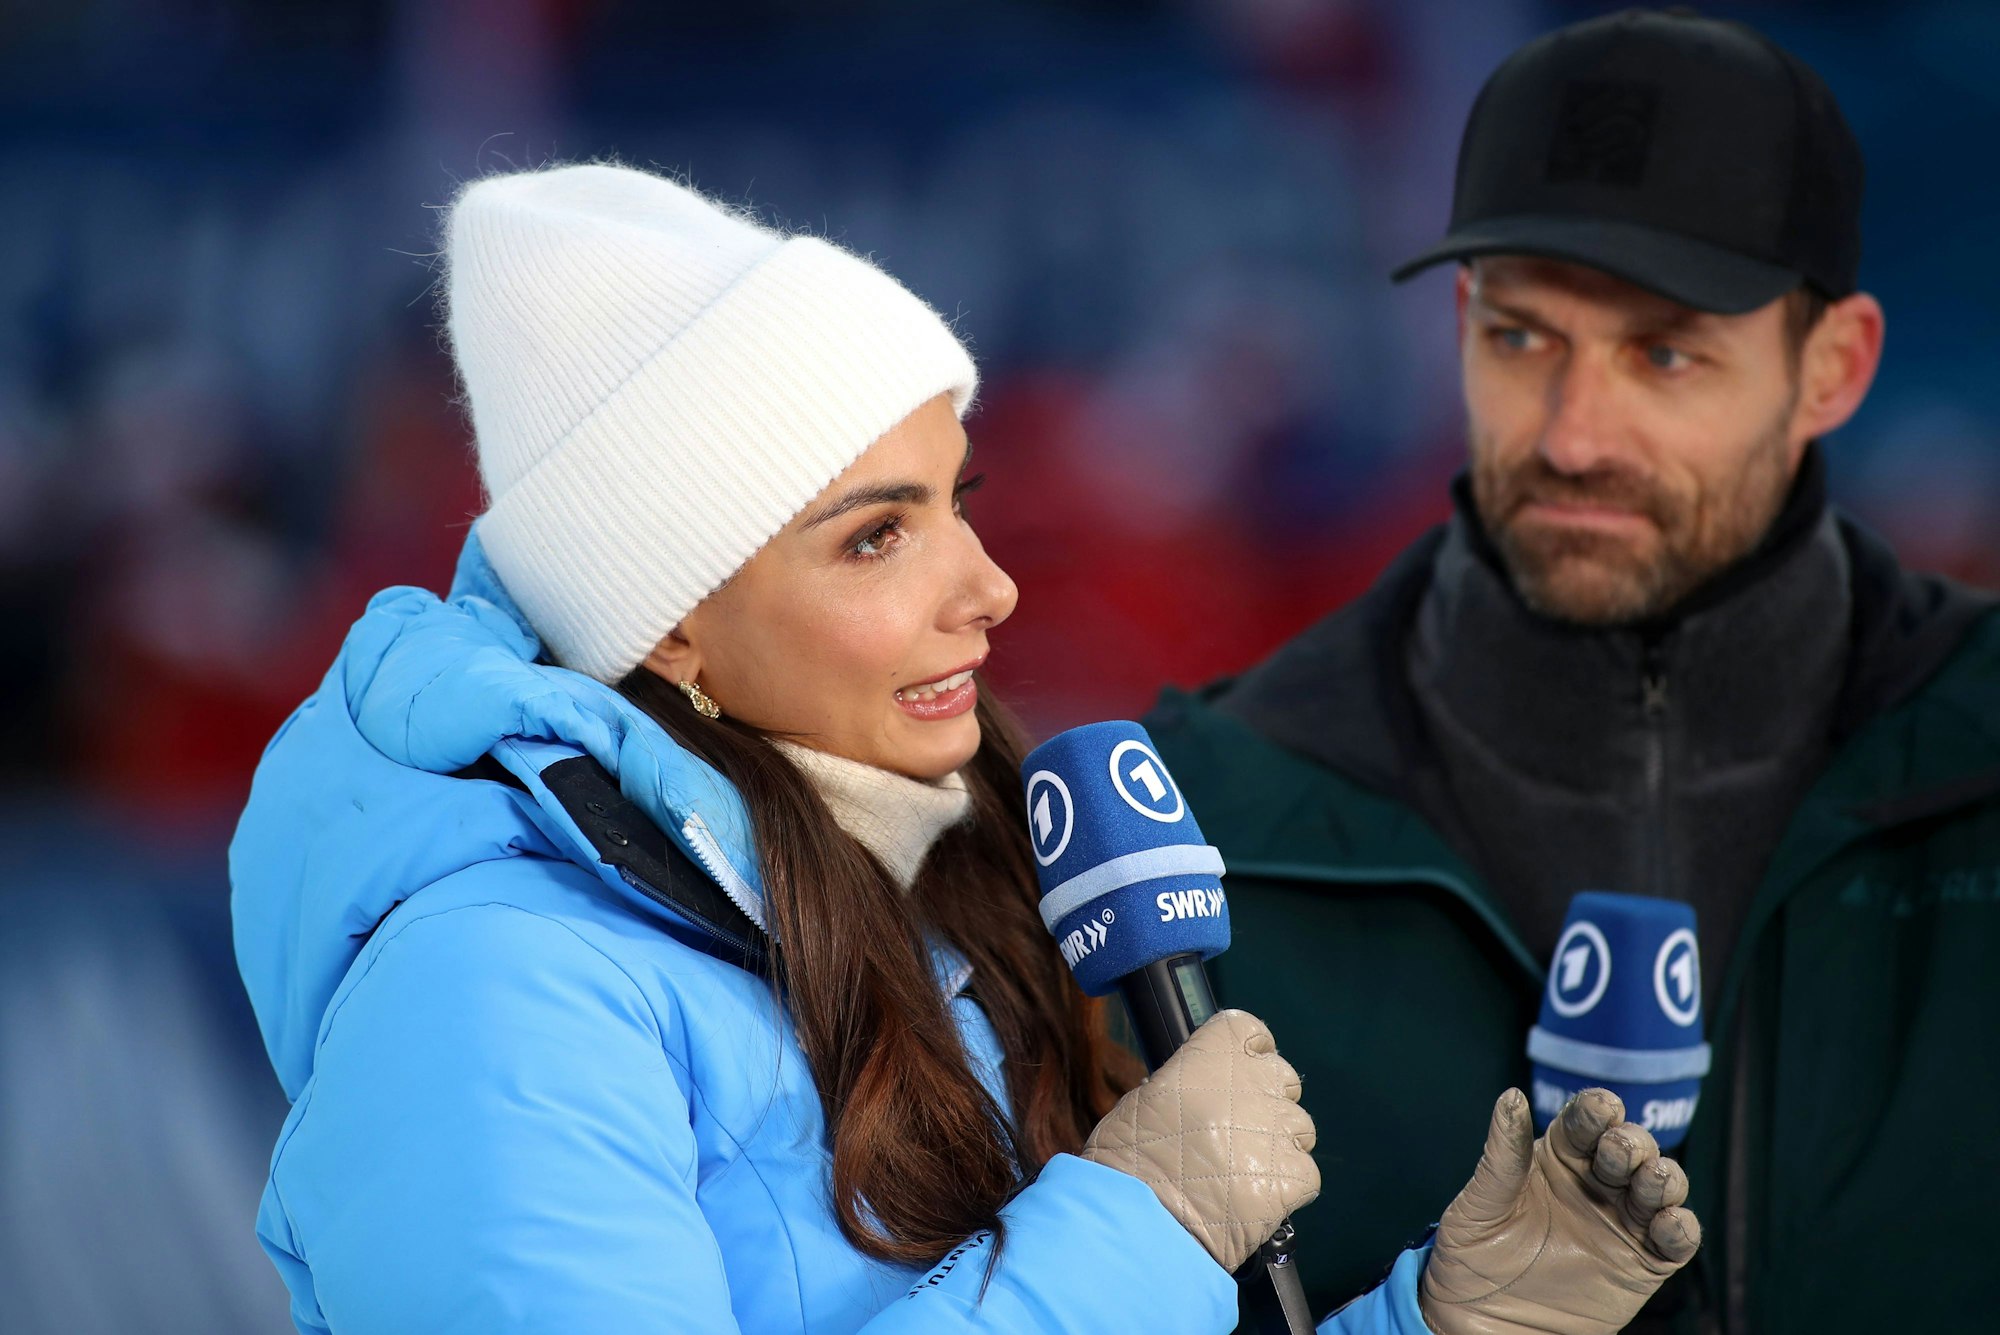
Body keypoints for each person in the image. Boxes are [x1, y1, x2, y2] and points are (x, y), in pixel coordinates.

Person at [231, 162, 1698, 1334]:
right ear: (668, 631)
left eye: (959, 500)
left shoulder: (918, 901)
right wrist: (1144, 1227)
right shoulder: (492, 995)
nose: (989, 588)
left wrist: (1454, 1324)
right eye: (877, 535)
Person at [1144, 8, 2000, 1333]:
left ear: (1835, 368)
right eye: (1524, 341)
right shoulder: (1199, 831)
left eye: (1665, 353)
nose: (1575, 434)